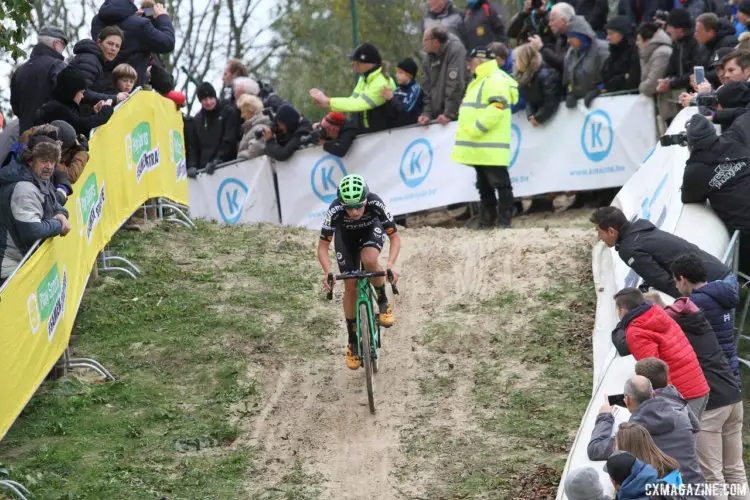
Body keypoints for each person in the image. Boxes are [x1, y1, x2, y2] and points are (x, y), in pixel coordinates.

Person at [318, 174, 401, 370]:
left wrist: (389, 264)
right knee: (351, 286)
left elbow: (395, 238)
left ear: (366, 200)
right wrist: (327, 271)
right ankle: (353, 340)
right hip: (345, 240)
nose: (354, 212)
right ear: (341, 203)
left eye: (358, 206)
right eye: (349, 207)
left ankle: (383, 302)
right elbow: (322, 246)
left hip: (371, 231)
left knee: (369, 259)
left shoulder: (375, 203)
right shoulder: (335, 209)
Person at [637, 350, 747, 499]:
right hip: (732, 394)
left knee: (712, 476)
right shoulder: (682, 330)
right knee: (735, 469)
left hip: (713, 407)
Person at [587, 375, 706, 486]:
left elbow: (596, 449)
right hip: (697, 487)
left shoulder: (632, 433)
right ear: (653, 394)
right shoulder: (681, 414)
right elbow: (696, 427)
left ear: (627, 400)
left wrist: (605, 416)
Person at [590, 207, 731, 297]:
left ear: (611, 231)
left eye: (599, 232)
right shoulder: (641, 228)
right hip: (722, 273)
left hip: (715, 286)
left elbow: (662, 281)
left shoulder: (628, 249)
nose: (600, 238)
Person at [611, 287, 710, 416]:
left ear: (622, 310)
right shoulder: (657, 313)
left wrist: (663, 406)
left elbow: (653, 372)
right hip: (697, 386)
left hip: (682, 396)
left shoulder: (636, 331)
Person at [451, 46, 518, 229]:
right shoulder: (482, 79)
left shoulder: (494, 79)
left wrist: (476, 128)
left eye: (470, 63)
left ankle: (504, 222)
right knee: (483, 184)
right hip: (480, 143)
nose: (468, 67)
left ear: (479, 62)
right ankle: (487, 220)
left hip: (488, 142)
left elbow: (497, 107)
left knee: (500, 183)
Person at [681, 113, 750, 274]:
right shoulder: (735, 139)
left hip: (746, 232)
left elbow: (688, 197)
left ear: (691, 143)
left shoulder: (694, 170)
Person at [0, 137, 70, 285]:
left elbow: (57, 206)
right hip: (8, 269)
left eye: (52, 161)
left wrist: (61, 216)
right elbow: (32, 231)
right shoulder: (24, 188)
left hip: (20, 262)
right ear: (30, 160)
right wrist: (59, 223)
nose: (49, 166)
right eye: (44, 160)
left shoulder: (39, 178)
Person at [670, 254, 741, 386]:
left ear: (682, 279)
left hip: (711, 375)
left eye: (676, 281)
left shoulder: (691, 304)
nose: (676, 286)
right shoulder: (722, 292)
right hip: (731, 367)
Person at [310, 42, 395, 134]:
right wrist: (328, 104)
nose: (353, 65)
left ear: (368, 63)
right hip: (369, 134)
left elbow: (359, 104)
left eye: (357, 62)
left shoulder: (381, 83)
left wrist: (328, 101)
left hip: (383, 135)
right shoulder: (364, 78)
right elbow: (352, 100)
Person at [91, 0, 176, 85]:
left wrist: (137, 14)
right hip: (130, 91)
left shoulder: (97, 21)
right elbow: (168, 42)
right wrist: (162, 17)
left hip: (100, 87)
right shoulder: (140, 25)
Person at [10, 26, 69, 134]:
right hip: (51, 135)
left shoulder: (19, 70)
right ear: (57, 43)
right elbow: (68, 98)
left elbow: (15, 107)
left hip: (25, 136)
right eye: (63, 46)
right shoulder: (58, 66)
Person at [656, 10, 709, 123]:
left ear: (679, 30)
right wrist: (667, 80)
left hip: (696, 97)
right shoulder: (677, 44)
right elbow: (670, 69)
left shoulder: (696, 45)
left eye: (669, 27)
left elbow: (695, 73)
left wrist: (671, 83)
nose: (667, 30)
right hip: (680, 98)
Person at [35, 67, 115, 137]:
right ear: (71, 91)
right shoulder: (56, 109)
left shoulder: (63, 105)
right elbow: (79, 125)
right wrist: (105, 111)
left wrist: (95, 113)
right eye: (81, 92)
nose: (82, 96)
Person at [185, 82, 240, 177]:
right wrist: (192, 165)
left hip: (226, 165)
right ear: (200, 101)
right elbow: (194, 145)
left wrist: (218, 160)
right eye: (205, 99)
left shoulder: (227, 111)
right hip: (204, 170)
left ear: (215, 97)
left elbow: (229, 139)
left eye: (211, 98)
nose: (209, 102)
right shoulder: (197, 120)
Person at [418, 26, 467, 126]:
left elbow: (455, 84)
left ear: (435, 42)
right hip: (439, 117)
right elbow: (427, 88)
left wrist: (449, 113)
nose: (423, 43)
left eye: (425, 40)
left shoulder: (455, 50)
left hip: (455, 117)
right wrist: (427, 113)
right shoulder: (427, 58)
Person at [68, 26, 128, 106]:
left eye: (117, 46)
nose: (113, 49)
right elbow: (81, 92)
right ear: (99, 42)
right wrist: (114, 98)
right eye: (110, 44)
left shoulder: (97, 60)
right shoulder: (90, 60)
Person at [615, 422, 683, 486]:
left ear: (625, 447)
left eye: (616, 444)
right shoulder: (668, 464)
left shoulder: (635, 478)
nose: (615, 448)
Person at [563, 15, 609, 108]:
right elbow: (568, 80)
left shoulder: (602, 50)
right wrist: (570, 92)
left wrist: (598, 90)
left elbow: (610, 77)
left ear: (581, 35)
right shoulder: (570, 54)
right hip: (580, 107)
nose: (568, 41)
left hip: (603, 104)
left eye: (571, 36)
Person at [513, 43, 562, 127]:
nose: (514, 63)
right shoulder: (525, 78)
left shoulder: (547, 74)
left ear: (523, 59)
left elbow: (551, 101)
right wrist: (530, 114)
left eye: (516, 60)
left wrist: (539, 118)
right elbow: (528, 99)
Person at [530, 2, 576, 74]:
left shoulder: (577, 37)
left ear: (563, 20)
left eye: (552, 20)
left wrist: (542, 48)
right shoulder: (561, 36)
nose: (549, 24)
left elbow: (563, 63)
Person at [695, 13, 739, 87]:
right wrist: (695, 77)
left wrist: (702, 77)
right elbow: (699, 66)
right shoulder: (704, 45)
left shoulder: (729, 42)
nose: (695, 34)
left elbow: (726, 69)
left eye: (698, 31)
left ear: (710, 32)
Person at [601, 16, 641, 93]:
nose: (607, 37)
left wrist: (618, 79)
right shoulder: (612, 54)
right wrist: (623, 77)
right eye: (607, 34)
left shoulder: (636, 52)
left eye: (611, 33)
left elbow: (633, 80)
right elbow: (605, 79)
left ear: (623, 33)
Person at [382, 58, 424, 128]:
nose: (396, 75)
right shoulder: (397, 90)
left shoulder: (416, 89)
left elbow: (407, 111)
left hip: (413, 131)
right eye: (396, 72)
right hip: (397, 132)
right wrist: (388, 100)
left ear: (409, 75)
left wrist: (391, 98)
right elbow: (392, 115)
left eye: (400, 73)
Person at [637, 22, 673, 97]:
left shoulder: (662, 53)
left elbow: (652, 84)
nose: (636, 43)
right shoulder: (648, 52)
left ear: (647, 40)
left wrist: (640, 88)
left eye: (638, 39)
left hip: (666, 101)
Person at [236, 94, 271, 160]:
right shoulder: (250, 127)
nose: (241, 116)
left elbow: (254, 152)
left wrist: (240, 156)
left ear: (252, 110)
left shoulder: (259, 127)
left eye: (243, 112)